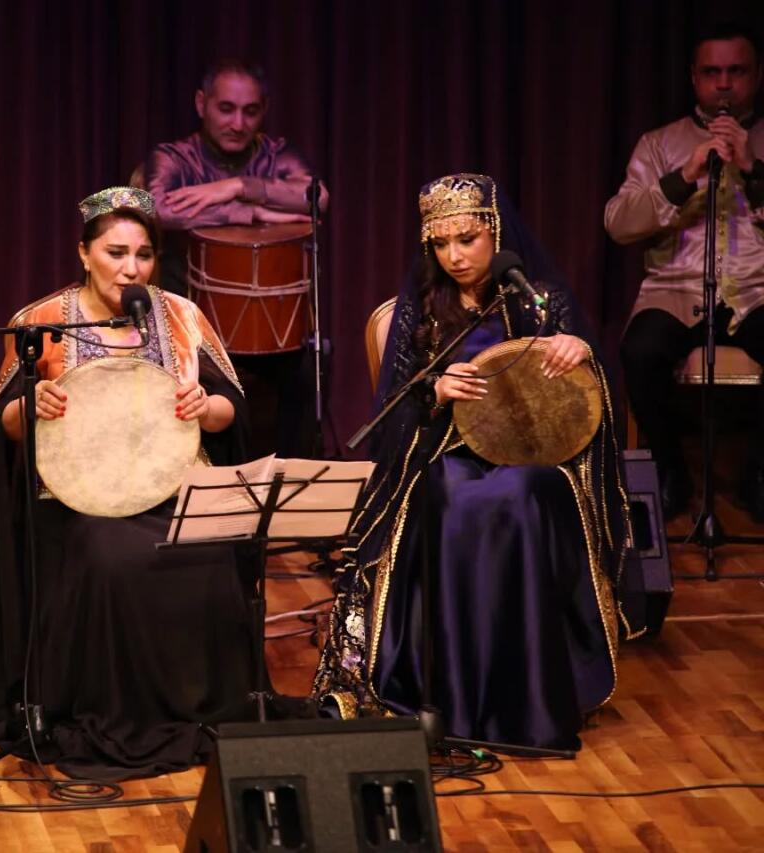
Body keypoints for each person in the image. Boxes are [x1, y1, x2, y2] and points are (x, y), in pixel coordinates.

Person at [312, 174, 630, 752]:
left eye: (468, 239)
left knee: (521, 495)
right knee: (451, 494)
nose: (454, 256)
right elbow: (394, 408)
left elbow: (593, 395)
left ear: (496, 233)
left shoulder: (539, 300)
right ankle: (455, 693)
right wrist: (434, 390)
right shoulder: (423, 310)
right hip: (446, 451)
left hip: (537, 461)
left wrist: (582, 351)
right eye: (441, 244)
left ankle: (524, 697)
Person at [0, 187, 256, 780]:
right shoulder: (42, 321)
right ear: (84, 253)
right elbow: (2, 424)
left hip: (172, 482)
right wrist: (33, 405)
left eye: (144, 255)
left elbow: (232, 410)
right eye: (115, 253)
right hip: (79, 495)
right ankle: (117, 708)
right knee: (113, 558)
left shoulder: (181, 316)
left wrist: (205, 408)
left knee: (212, 552)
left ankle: (194, 706)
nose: (131, 269)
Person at [606, 21, 764, 520]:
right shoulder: (659, 144)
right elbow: (618, 223)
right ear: (694, 78)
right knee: (640, 352)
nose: (724, 84)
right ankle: (670, 470)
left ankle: (758, 474)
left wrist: (753, 168)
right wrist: (684, 177)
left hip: (757, 292)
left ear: (757, 76)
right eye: (712, 72)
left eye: (736, 71)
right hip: (675, 292)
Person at [144, 59, 329, 456]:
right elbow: (157, 208)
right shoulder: (173, 157)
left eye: (251, 111)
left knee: (311, 362)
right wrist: (253, 212)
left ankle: (293, 476)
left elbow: (317, 197)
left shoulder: (277, 154)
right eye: (226, 109)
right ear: (201, 104)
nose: (238, 123)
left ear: (264, 111)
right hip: (190, 317)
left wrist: (238, 186)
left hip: (271, 323)